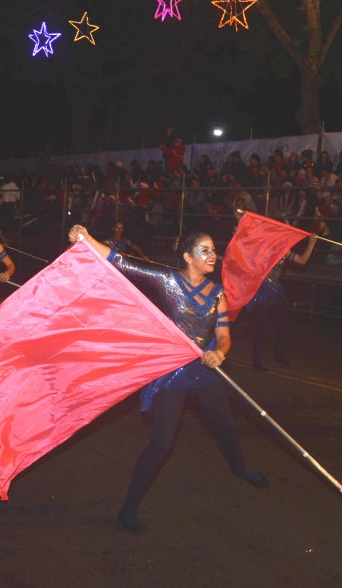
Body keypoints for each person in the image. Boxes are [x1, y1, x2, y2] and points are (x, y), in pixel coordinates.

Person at [68, 225, 267, 532]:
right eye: (206, 250)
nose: (213, 255)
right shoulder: (169, 280)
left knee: (225, 424)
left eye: (214, 249)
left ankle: (239, 467)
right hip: (173, 372)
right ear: (188, 257)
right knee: (161, 444)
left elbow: (224, 336)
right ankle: (128, 508)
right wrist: (88, 239)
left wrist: (221, 353)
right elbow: (122, 262)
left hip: (204, 368)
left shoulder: (217, 294)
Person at [247, 225, 321, 370]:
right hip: (262, 290)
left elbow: (302, 260)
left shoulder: (284, 251)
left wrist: (311, 244)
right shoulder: (263, 249)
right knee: (262, 327)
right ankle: (256, 361)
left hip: (276, 290)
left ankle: (278, 355)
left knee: (282, 325)